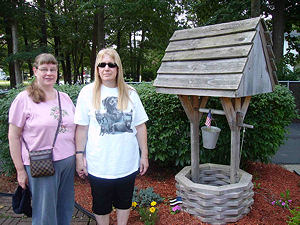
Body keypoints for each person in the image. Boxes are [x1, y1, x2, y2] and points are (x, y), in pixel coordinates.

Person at [75, 48, 149, 225]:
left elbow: (140, 126)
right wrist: (79, 157)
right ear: (97, 68)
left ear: (118, 68)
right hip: (99, 164)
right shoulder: (87, 93)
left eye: (111, 64)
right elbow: (82, 129)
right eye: (102, 64)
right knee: (101, 206)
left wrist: (144, 154)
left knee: (124, 203)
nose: (106, 68)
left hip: (127, 163)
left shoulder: (130, 93)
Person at [8, 53, 76, 225]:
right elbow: (14, 136)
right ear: (35, 71)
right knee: (45, 213)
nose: (49, 73)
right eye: (44, 69)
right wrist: (20, 170)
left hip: (67, 162)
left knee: (65, 208)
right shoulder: (24, 99)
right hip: (41, 164)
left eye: (53, 69)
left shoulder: (65, 98)